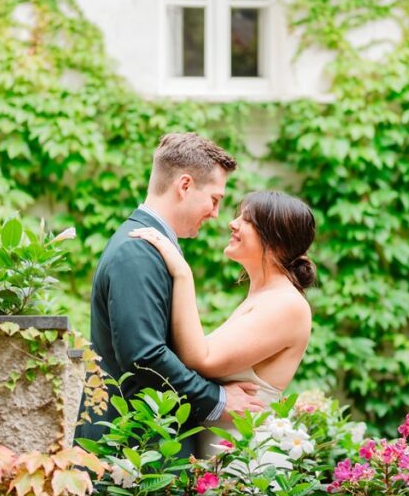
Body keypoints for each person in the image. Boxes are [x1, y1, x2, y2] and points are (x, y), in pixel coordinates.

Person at [75, 133, 266, 457]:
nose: (216, 214)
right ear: (185, 185)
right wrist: (217, 399)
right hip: (133, 454)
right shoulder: (137, 252)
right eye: (215, 199)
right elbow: (145, 355)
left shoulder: (151, 247)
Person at [129, 190, 316, 456]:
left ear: (276, 240)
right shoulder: (263, 297)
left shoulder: (287, 305)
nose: (233, 223)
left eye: (247, 219)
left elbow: (200, 358)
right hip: (219, 456)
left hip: (244, 465)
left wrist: (182, 273)